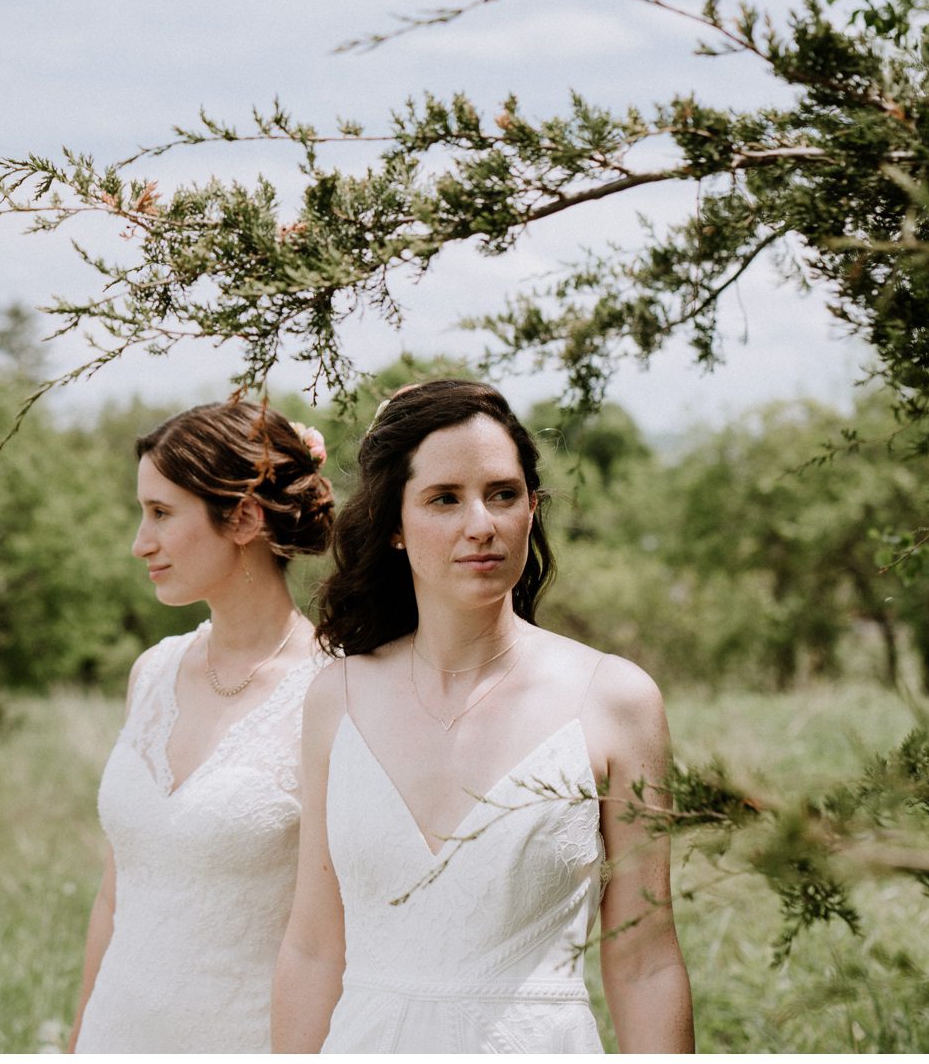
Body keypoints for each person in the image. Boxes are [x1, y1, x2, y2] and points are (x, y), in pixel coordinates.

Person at [271, 380, 693, 1053]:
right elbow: (314, 949)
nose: (482, 524)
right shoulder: (337, 697)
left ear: (532, 507)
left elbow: (645, 962)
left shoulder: (615, 699)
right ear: (396, 529)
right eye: (445, 499)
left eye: (503, 493)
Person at [69, 401, 336, 1053]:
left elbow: (329, 940)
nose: (141, 542)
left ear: (243, 516)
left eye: (161, 513)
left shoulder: (334, 692)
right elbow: (114, 896)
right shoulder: (152, 673)